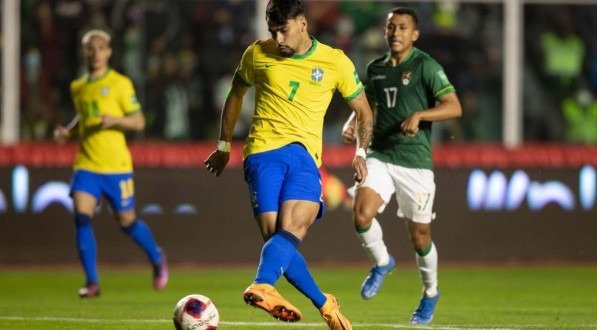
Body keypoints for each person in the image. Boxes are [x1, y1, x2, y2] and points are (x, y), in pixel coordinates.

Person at [204, 0, 373, 329]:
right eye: (272, 30)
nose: (278, 38)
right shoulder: (256, 54)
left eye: (283, 30)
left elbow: (364, 111)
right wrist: (223, 145)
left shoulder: (334, 61)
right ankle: (298, 295)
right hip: (262, 153)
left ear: (302, 24)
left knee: (289, 232)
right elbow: (235, 94)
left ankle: (288, 293)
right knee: (276, 238)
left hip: (304, 158)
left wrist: (361, 152)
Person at [341, 7, 462, 325]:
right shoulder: (376, 68)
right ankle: (382, 262)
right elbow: (365, 102)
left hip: (415, 163)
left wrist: (421, 115)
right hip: (381, 155)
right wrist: (352, 121)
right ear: (385, 32)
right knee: (361, 213)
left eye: (403, 27)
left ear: (415, 34)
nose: (395, 32)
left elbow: (454, 106)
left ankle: (430, 293)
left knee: (420, 237)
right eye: (391, 27)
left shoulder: (426, 66)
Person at [53, 29, 168, 298]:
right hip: (87, 164)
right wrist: (68, 132)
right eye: (90, 48)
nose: (95, 53)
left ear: (109, 52)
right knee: (81, 216)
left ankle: (156, 257)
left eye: (100, 47)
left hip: (116, 166)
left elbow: (139, 121)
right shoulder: (78, 86)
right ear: (84, 53)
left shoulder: (120, 83)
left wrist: (116, 120)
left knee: (127, 222)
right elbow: (84, 118)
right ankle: (92, 282)